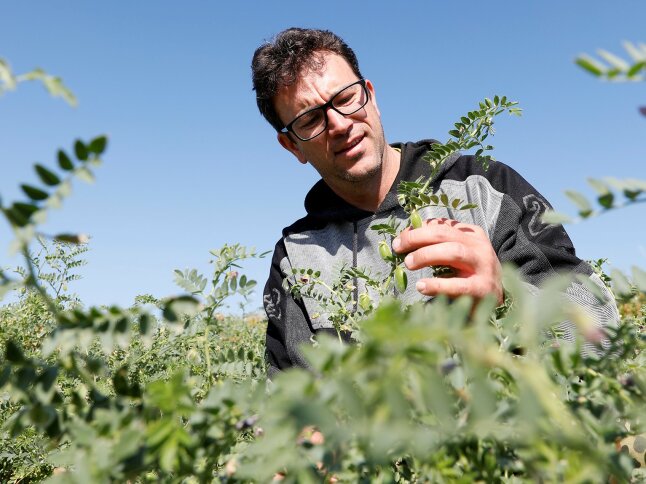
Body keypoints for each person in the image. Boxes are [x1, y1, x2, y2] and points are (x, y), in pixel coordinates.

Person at [251, 27, 618, 378]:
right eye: (311, 119)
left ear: (371, 96)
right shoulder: (295, 259)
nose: (340, 124)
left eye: (346, 98)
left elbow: (601, 331)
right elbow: (283, 399)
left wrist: (508, 300)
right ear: (292, 146)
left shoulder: (485, 187)